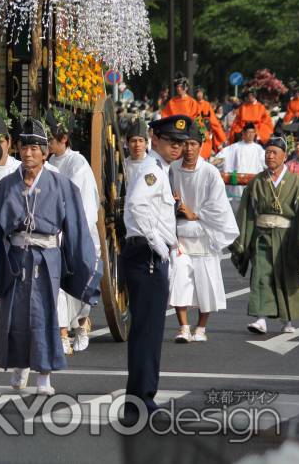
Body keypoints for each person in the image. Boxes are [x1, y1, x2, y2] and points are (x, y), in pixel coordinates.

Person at [0, 117, 100, 396]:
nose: (28, 154)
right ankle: (20, 366)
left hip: (47, 259)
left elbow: (77, 228)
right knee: (14, 314)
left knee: (43, 315)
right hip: (15, 259)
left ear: (45, 153)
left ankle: (44, 374)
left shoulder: (62, 186)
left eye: (34, 149)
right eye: (24, 148)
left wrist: (85, 264)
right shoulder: (7, 185)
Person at [119, 115, 184, 416]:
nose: (176, 147)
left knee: (149, 331)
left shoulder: (159, 168)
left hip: (149, 254)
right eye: (170, 141)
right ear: (154, 139)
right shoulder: (152, 170)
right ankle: (140, 402)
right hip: (146, 256)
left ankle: (141, 399)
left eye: (180, 142)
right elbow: (137, 205)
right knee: (147, 332)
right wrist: (157, 243)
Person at [168, 121, 239, 343]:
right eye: (185, 144)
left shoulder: (210, 172)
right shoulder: (172, 169)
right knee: (179, 278)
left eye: (193, 144)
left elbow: (218, 206)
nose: (189, 149)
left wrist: (195, 213)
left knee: (205, 283)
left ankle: (201, 327)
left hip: (204, 233)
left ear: (201, 146)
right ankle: (183, 327)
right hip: (180, 233)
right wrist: (173, 204)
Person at [230, 135, 299, 335]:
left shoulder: (296, 182)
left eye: (274, 153)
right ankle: (261, 318)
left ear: (284, 156)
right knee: (261, 275)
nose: (270, 156)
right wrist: (242, 240)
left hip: (286, 236)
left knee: (287, 276)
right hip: (262, 235)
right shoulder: (257, 181)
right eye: (268, 152)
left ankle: (287, 320)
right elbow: (246, 212)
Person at [44, 108, 101, 356]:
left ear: (64, 138)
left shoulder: (78, 164)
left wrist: (71, 231)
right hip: (54, 232)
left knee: (76, 281)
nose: (47, 143)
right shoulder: (47, 163)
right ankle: (62, 331)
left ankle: (81, 326)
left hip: (76, 231)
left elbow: (83, 205)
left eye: (50, 139)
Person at [215, 123, 266, 205]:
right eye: (249, 132)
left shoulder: (259, 149)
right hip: (237, 183)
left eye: (253, 132)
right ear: (243, 133)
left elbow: (266, 162)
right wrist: (216, 161)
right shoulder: (234, 147)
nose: (251, 135)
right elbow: (220, 158)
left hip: (254, 181)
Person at [193, 86, 227, 159]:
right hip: (196, 129)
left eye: (201, 93)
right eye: (198, 93)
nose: (199, 95)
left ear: (203, 94)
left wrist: (222, 137)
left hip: (207, 129)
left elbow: (214, 121)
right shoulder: (193, 104)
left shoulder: (207, 104)